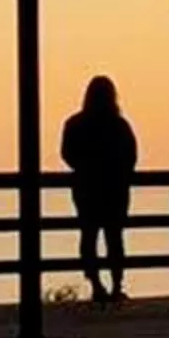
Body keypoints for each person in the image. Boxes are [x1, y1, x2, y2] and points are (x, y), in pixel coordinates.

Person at [58, 75, 138, 303]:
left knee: (89, 236)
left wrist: (85, 168)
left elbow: (67, 153)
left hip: (86, 188)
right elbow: (131, 155)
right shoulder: (119, 125)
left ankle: (96, 283)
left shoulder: (75, 124)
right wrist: (120, 173)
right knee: (115, 237)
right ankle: (116, 285)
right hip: (115, 189)